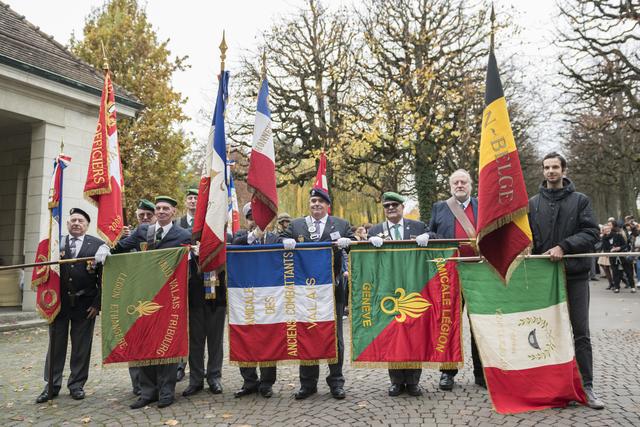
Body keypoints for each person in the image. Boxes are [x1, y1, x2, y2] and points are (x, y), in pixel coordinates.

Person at [97, 196, 191, 409]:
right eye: (158, 208)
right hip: (142, 295)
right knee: (144, 342)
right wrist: (105, 248)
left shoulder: (183, 235)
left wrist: (193, 255)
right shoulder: (143, 231)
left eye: (165, 208)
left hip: (169, 298)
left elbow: (192, 262)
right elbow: (120, 247)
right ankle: (148, 392)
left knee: (167, 343)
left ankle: (166, 392)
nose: (161, 211)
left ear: (173, 212)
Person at [528, 151, 604, 410]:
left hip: (575, 275)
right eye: (547, 167)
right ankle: (553, 388)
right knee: (547, 333)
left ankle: (587, 386)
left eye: (555, 167)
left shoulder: (580, 201)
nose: (550, 171)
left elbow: (592, 232)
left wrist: (564, 246)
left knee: (580, 332)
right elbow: (529, 238)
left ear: (564, 170)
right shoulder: (533, 203)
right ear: (543, 171)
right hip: (544, 278)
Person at [280, 188, 354, 400]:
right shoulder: (296, 225)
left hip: (333, 289)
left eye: (320, 201)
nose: (316, 204)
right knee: (306, 333)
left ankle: (336, 382)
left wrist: (348, 244)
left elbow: (355, 244)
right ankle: (308, 383)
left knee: (336, 336)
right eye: (313, 201)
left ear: (327, 205)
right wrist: (285, 242)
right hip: (305, 291)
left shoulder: (340, 224)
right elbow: (278, 240)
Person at [367, 192, 432, 397]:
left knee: (414, 334)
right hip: (388, 290)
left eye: (395, 205)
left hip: (414, 287)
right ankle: (396, 381)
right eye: (387, 206)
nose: (391, 209)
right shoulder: (376, 230)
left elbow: (437, 238)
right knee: (392, 334)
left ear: (402, 207)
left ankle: (413, 381)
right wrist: (370, 241)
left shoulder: (418, 227)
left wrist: (428, 237)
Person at [36, 208, 104, 403]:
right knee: (56, 346)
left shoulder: (98, 246)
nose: (76, 223)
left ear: (86, 225)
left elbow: (104, 278)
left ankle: (76, 385)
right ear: (67, 224)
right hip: (58, 304)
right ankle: (51, 385)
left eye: (80, 221)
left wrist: (97, 304)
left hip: (85, 305)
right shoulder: (56, 243)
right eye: (73, 220)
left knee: (81, 347)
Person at [428, 169, 484, 390]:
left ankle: (482, 374)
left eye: (463, 182)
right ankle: (447, 373)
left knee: (479, 324)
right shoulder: (440, 207)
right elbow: (430, 233)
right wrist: (429, 237)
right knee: (449, 324)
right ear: (450, 186)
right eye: (456, 182)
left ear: (471, 185)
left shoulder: (483, 205)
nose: (459, 185)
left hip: (479, 273)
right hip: (450, 275)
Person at [230, 203, 279, 398]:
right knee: (245, 337)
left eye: (260, 217)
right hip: (245, 297)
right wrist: (254, 236)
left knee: (269, 338)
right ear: (247, 219)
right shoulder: (239, 237)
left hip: (269, 296)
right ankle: (249, 380)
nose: (256, 221)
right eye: (251, 217)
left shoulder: (276, 237)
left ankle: (267, 382)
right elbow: (235, 246)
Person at [126, 198, 157, 396]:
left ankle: (154, 381)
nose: (145, 218)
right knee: (136, 340)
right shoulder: (131, 238)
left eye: (149, 215)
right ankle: (137, 383)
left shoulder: (162, 235)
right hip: (134, 298)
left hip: (158, 296)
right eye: (141, 215)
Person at [176, 189, 198, 382]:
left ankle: (200, 369)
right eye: (190, 198)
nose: (192, 201)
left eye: (196, 198)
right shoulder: (177, 224)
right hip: (180, 281)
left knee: (198, 328)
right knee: (180, 325)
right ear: (186, 202)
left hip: (200, 280)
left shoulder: (206, 222)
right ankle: (180, 365)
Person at [602, 221, 636, 294]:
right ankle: (617, 287)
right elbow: (605, 249)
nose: (607, 230)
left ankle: (632, 287)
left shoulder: (618, 235)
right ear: (603, 231)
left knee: (628, 272)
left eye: (608, 228)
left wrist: (619, 248)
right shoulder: (604, 238)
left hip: (622, 256)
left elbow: (625, 245)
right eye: (605, 229)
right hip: (613, 257)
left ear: (610, 229)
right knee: (615, 273)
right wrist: (610, 250)